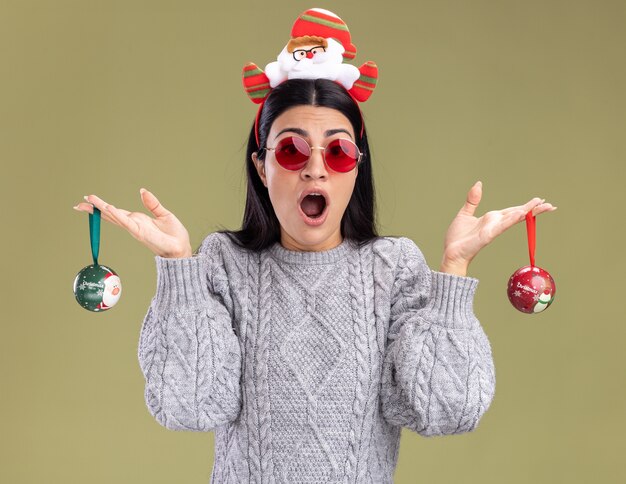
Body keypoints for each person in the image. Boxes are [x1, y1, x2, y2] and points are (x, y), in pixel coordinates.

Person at [73, 10, 557, 484]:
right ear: (262, 167)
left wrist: (452, 270)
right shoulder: (223, 265)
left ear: (356, 168)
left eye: (339, 151)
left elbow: (446, 410)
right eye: (291, 149)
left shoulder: (394, 269)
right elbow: (190, 407)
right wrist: (179, 267)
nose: (316, 168)